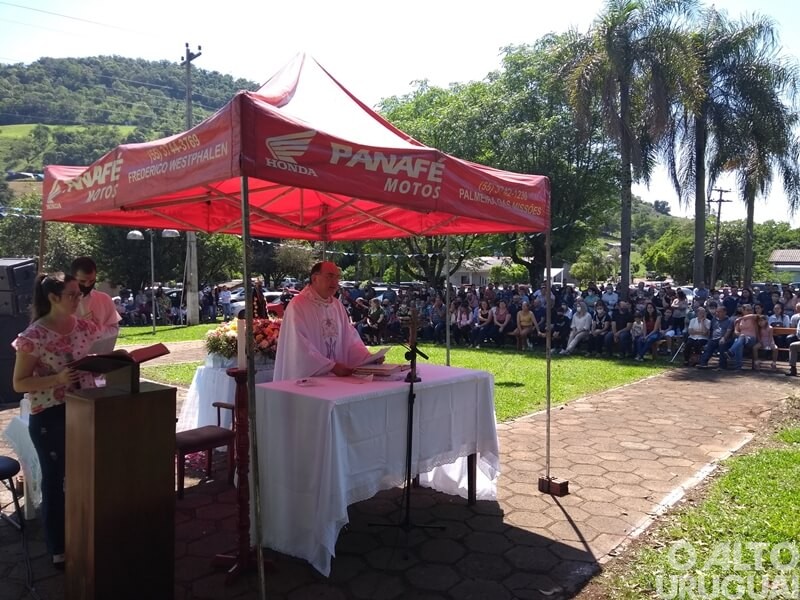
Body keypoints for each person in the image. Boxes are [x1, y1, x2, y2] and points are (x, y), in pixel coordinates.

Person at [12, 272, 101, 569]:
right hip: (50, 415)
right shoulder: (33, 337)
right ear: (53, 298)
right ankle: (58, 547)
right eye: (72, 295)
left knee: (87, 477)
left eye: (80, 294)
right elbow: (19, 383)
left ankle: (87, 533)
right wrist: (57, 379)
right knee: (54, 481)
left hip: (86, 408)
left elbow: (91, 360)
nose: (79, 300)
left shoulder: (86, 327)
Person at [273, 261, 375, 381]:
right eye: (330, 276)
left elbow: (349, 339)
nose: (335, 282)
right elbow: (299, 346)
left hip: (338, 382)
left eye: (337, 277)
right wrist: (330, 366)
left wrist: (368, 358)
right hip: (308, 383)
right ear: (315, 278)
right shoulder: (298, 305)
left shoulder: (337, 305)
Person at [71, 256, 121, 346]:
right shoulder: (60, 301)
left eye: (91, 281)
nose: (86, 285)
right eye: (82, 281)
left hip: (98, 353)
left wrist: (96, 332)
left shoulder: (104, 299)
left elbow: (114, 328)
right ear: (72, 277)